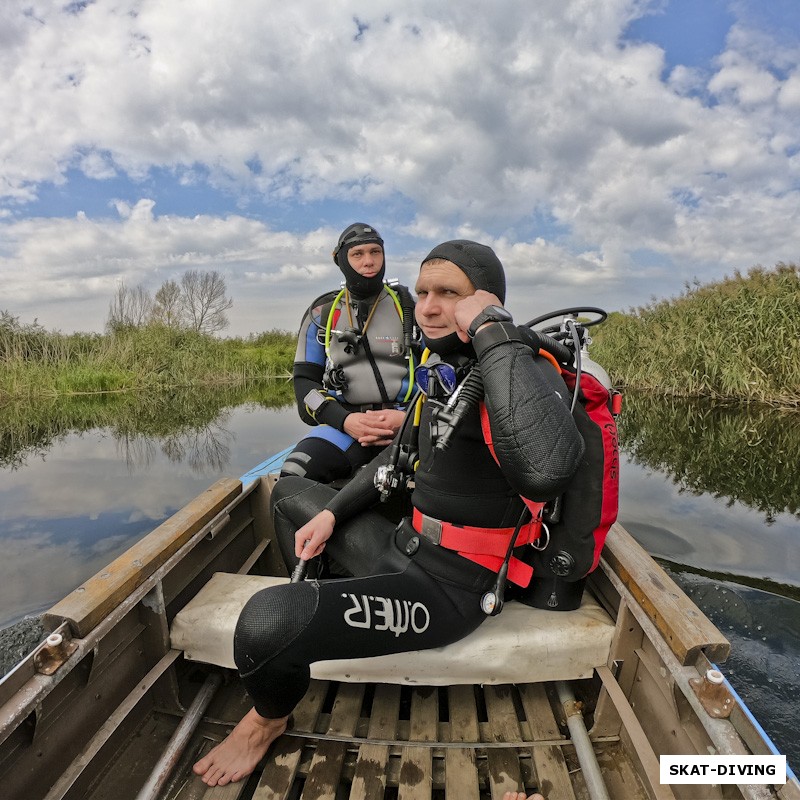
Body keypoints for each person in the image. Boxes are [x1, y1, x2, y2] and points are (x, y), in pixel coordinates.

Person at [194, 240, 585, 790]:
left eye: (449, 294)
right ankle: (318, 616)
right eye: (423, 292)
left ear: (487, 300)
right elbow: (392, 459)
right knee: (290, 496)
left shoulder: (514, 371)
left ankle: (268, 717)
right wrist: (331, 515)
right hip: (408, 547)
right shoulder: (442, 366)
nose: (427, 307)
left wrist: (493, 330)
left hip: (452, 589)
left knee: (265, 622)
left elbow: (547, 468)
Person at [280, 222, 417, 482]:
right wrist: (344, 421)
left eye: (375, 252)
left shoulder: (410, 310)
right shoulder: (321, 315)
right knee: (294, 475)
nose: (369, 261)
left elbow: (442, 375)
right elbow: (304, 384)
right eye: (358, 254)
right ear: (342, 260)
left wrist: (407, 418)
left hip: (407, 421)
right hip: (345, 423)